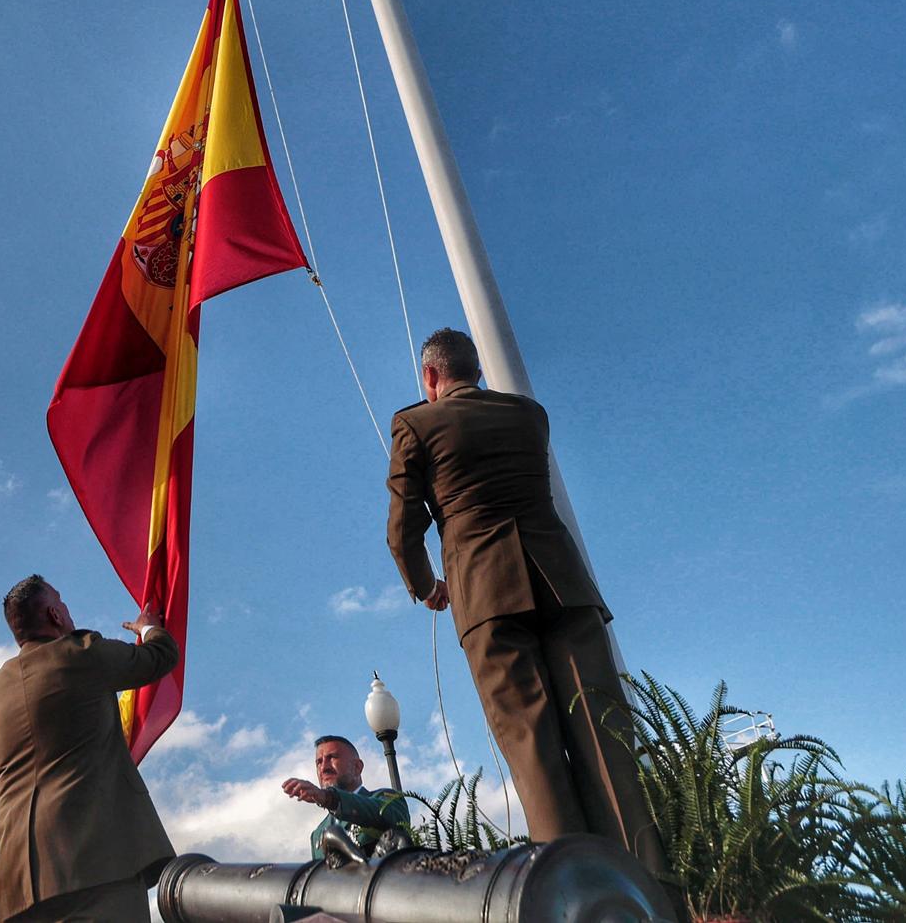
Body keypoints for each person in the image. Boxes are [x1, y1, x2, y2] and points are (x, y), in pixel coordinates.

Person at [384, 328, 663, 873]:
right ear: (478, 372)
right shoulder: (529, 415)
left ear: (431, 378)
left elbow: (402, 531)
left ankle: (582, 895)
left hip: (488, 598)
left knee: (535, 754)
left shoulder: (415, 423)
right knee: (606, 743)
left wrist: (426, 588)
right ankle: (651, 892)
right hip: (565, 586)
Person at [0, 574, 178, 922]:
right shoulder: (80, 654)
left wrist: (17, 862)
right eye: (62, 601)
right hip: (96, 867)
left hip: (18, 890)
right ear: (54, 615)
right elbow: (160, 657)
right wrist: (148, 628)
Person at [280, 734, 410, 861]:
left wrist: (329, 798)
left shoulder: (388, 799)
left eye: (332, 757)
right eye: (319, 762)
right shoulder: (317, 834)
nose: (324, 768)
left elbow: (387, 816)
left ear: (357, 767)